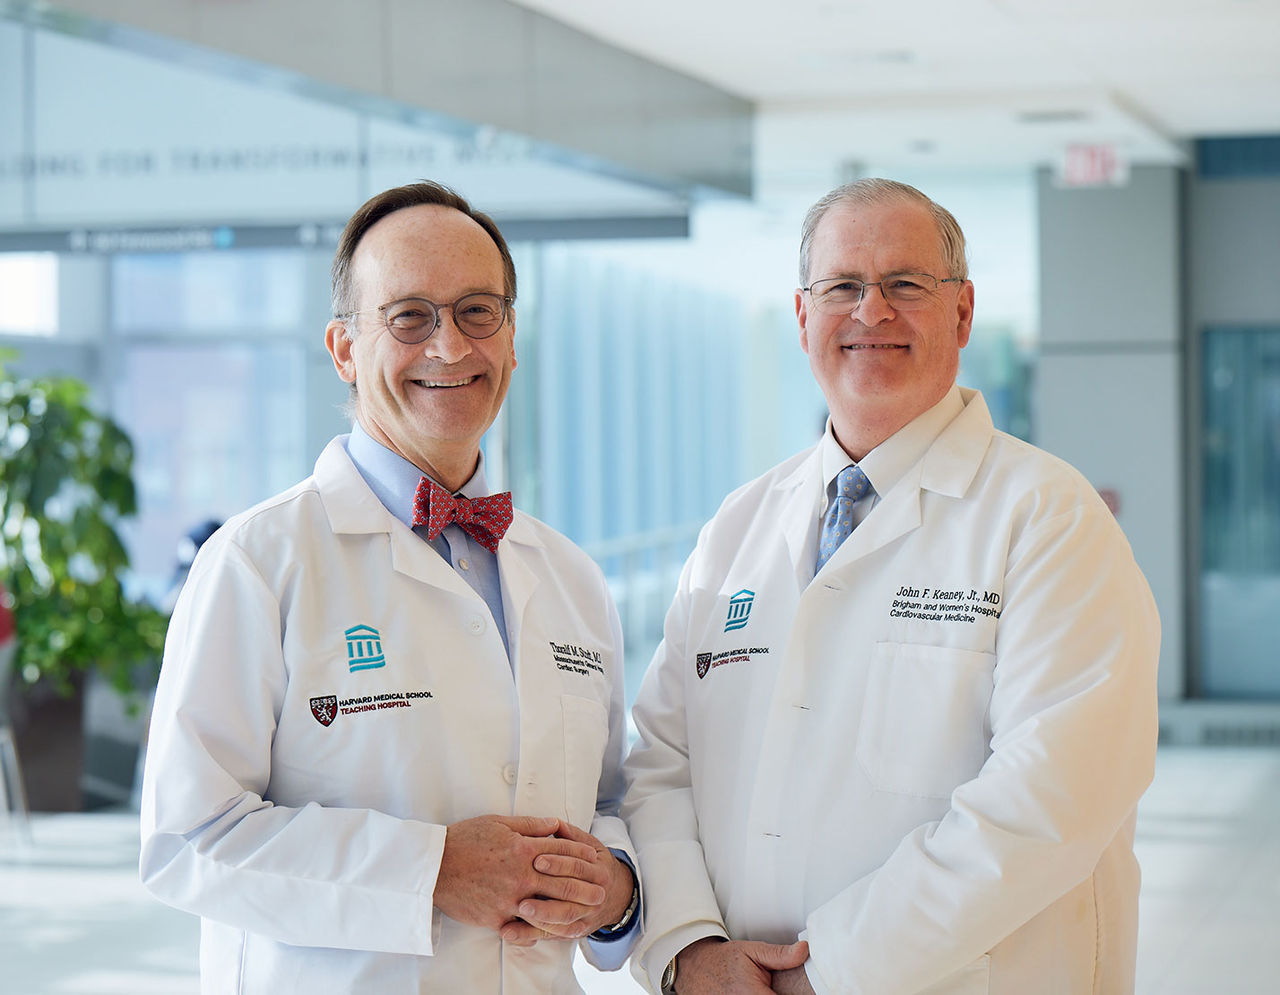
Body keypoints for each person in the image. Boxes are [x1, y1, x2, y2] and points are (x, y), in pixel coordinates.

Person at [621, 178, 1160, 995]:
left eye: (906, 284)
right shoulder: (738, 527)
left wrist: (823, 974)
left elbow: (1052, 799)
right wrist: (690, 947)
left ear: (963, 313)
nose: (871, 312)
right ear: (803, 316)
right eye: (842, 286)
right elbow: (660, 764)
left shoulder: (1048, 518)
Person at [140, 181, 640, 993]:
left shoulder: (570, 575)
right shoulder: (257, 563)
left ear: (512, 338)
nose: (449, 346)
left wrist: (614, 888)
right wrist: (431, 870)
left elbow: (612, 798)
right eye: (409, 316)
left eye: (478, 311)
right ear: (343, 348)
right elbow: (187, 839)